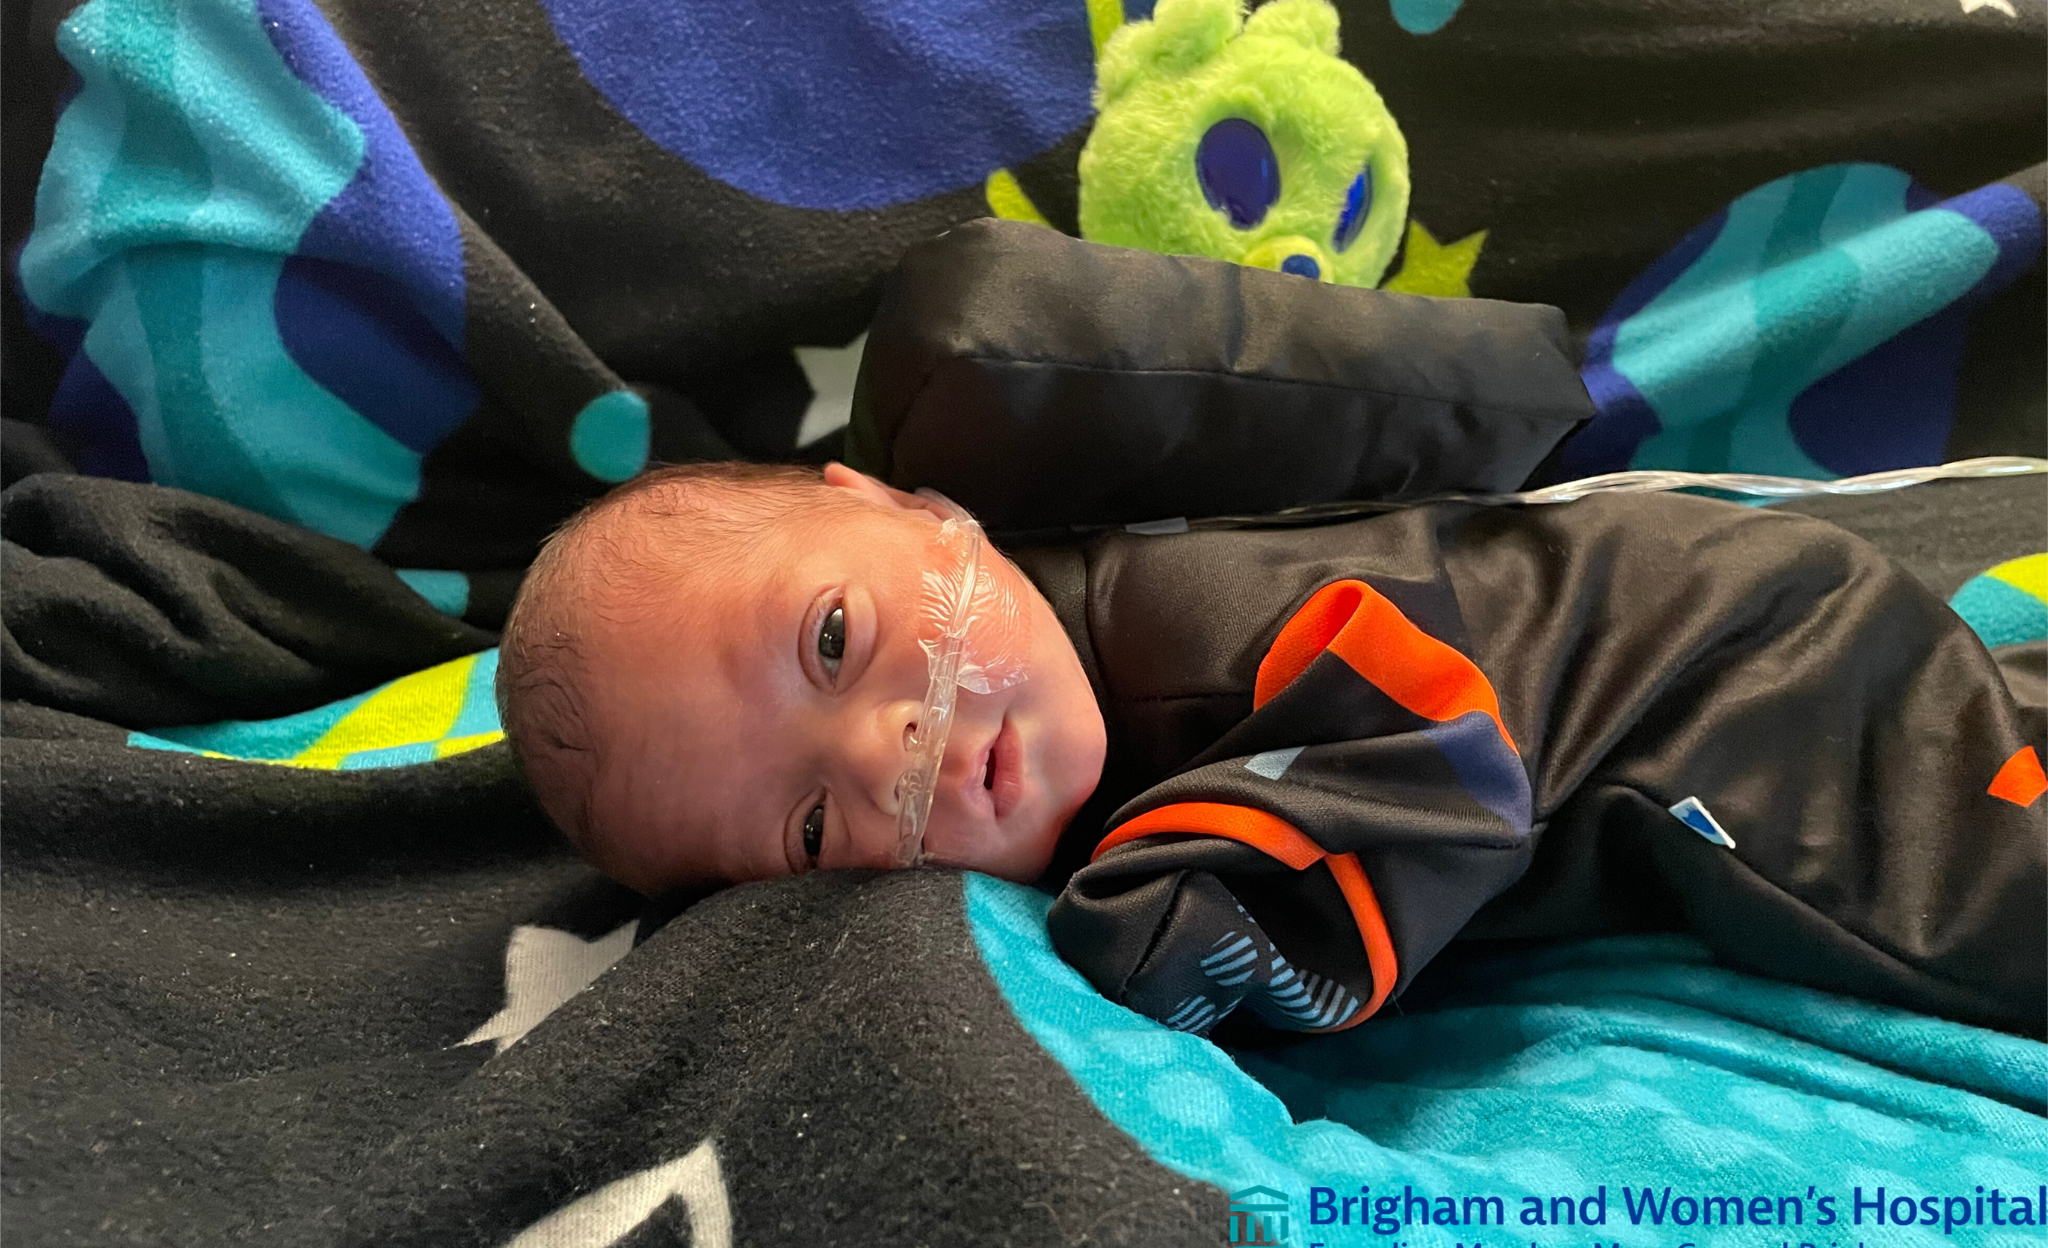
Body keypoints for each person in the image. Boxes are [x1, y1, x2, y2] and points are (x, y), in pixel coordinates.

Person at [496, 459, 2047, 1041]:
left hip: (1763, 674)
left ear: (914, 505)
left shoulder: (1198, 630)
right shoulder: (1064, 664)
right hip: (1760, 629)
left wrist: (1163, 923)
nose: (890, 740)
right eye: (818, 830)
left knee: (1993, 897)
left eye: (833, 638)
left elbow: (1442, 765)